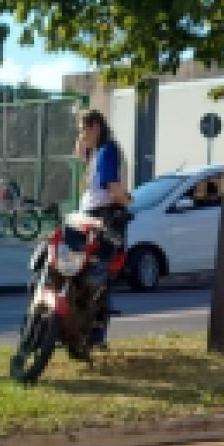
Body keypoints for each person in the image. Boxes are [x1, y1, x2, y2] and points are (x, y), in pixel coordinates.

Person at [75, 109, 132, 348]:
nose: (81, 135)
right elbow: (79, 154)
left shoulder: (107, 151)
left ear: (96, 127)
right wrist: (82, 140)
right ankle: (87, 331)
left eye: (84, 130)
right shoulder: (97, 151)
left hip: (103, 217)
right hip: (93, 217)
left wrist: (127, 201)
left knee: (98, 276)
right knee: (89, 274)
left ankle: (95, 334)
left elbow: (113, 188)